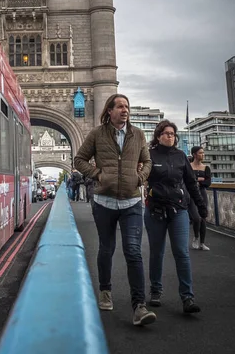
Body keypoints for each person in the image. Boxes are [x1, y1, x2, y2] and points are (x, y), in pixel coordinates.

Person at [74, 93, 156, 326]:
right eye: (119, 106)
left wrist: (139, 178)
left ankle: (139, 306)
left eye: (127, 106)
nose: (125, 110)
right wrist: (99, 174)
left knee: (133, 251)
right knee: (107, 248)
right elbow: (79, 160)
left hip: (131, 202)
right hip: (104, 203)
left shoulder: (138, 135)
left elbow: (147, 161)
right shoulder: (97, 134)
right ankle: (105, 290)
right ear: (109, 111)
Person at [143, 121, 207, 314]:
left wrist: (201, 205)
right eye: (166, 133)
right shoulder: (150, 155)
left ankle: (187, 297)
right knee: (157, 252)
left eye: (172, 134)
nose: (170, 136)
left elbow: (191, 182)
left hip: (179, 209)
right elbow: (140, 176)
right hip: (156, 210)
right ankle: (156, 290)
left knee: (182, 252)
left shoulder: (180, 156)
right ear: (158, 135)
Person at [188, 145, 211, 251]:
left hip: (202, 194)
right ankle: (196, 237)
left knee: (203, 218)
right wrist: (200, 179)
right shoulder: (188, 166)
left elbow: (208, 182)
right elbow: (186, 180)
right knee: (196, 218)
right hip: (191, 195)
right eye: (200, 153)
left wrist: (197, 181)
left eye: (203, 152)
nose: (203, 154)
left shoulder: (206, 168)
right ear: (194, 154)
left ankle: (202, 243)